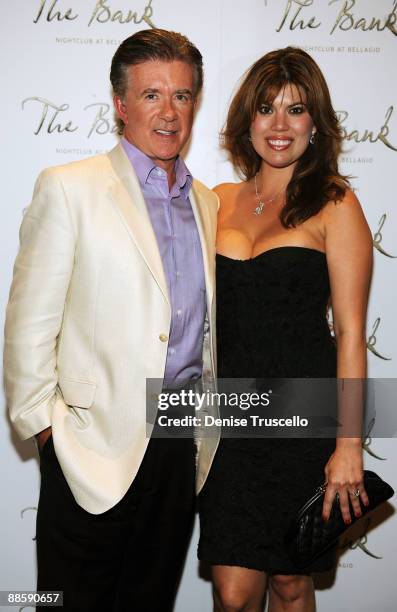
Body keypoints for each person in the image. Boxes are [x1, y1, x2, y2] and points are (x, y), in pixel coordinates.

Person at [4, 29, 219, 612]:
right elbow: (29, 325)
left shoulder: (208, 204)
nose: (169, 112)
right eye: (151, 95)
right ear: (120, 105)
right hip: (89, 443)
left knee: (149, 600)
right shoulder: (69, 188)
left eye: (182, 95)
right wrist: (50, 435)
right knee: (71, 601)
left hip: (178, 437)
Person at [198, 47, 372, 612]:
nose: (279, 125)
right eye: (266, 108)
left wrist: (348, 446)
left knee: (292, 583)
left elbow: (349, 332)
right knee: (232, 592)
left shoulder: (335, 204)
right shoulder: (216, 202)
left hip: (303, 421)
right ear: (246, 120)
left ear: (315, 124)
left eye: (295, 110)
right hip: (228, 421)